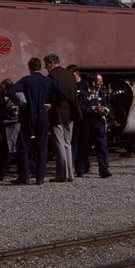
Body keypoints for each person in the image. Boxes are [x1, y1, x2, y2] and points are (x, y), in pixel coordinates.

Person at [7, 57, 67, 185]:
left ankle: (24, 176)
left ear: (29, 68)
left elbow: (11, 91)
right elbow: (63, 94)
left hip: (29, 112)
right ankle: (40, 177)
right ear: (40, 67)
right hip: (42, 113)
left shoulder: (26, 80)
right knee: (42, 146)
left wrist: (19, 103)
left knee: (23, 145)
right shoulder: (47, 81)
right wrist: (52, 104)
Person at [44, 53, 82, 182]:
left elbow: (51, 94)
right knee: (67, 143)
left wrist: (51, 104)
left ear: (52, 63)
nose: (45, 67)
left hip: (58, 112)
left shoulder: (52, 76)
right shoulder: (70, 74)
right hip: (70, 112)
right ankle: (69, 174)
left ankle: (62, 174)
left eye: (46, 64)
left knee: (59, 143)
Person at [76, 73, 112, 178]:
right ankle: (80, 168)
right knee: (84, 146)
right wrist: (93, 109)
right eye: (100, 81)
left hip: (99, 122)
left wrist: (105, 110)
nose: (102, 83)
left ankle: (104, 169)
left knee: (102, 146)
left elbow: (106, 105)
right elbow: (81, 108)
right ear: (93, 82)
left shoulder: (101, 93)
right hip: (87, 122)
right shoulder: (83, 94)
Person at [0, 79, 21, 181]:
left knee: (10, 150)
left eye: (3, 89)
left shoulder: (18, 94)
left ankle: (0, 174)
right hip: (5, 124)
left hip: (15, 124)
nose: (1, 90)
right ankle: (33, 168)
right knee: (10, 150)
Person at [67, 64, 88, 173]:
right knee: (74, 140)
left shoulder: (84, 84)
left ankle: (83, 164)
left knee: (84, 140)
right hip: (74, 115)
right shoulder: (70, 84)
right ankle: (75, 166)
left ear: (77, 73)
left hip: (84, 116)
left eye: (72, 74)